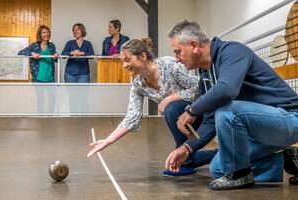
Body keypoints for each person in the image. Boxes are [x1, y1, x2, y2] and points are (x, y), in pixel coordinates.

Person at [165, 20, 298, 190]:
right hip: (262, 132)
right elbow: (210, 120)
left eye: (178, 52)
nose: (176, 59)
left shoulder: (232, 51)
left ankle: (242, 175)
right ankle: (287, 158)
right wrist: (187, 148)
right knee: (219, 168)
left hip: (290, 119)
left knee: (228, 111)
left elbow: (227, 90)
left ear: (194, 45)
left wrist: (192, 109)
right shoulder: (206, 75)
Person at [87, 38, 211, 171]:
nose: (124, 65)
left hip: (203, 114)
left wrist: (168, 99)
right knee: (172, 111)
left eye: (127, 60)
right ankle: (195, 157)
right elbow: (132, 118)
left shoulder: (169, 64)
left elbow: (199, 88)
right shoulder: (138, 85)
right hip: (186, 125)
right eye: (122, 61)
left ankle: (186, 158)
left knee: (171, 109)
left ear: (142, 56)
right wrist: (108, 141)